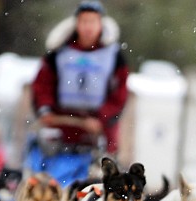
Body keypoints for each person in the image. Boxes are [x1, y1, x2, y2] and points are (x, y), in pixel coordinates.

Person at [28, 0, 129, 186]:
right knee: (50, 184)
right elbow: (42, 85)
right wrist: (45, 110)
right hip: (61, 133)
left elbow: (120, 93)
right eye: (84, 21)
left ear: (101, 24)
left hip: (98, 136)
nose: (88, 27)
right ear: (76, 24)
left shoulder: (114, 56)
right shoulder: (58, 53)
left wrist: (102, 118)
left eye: (93, 22)